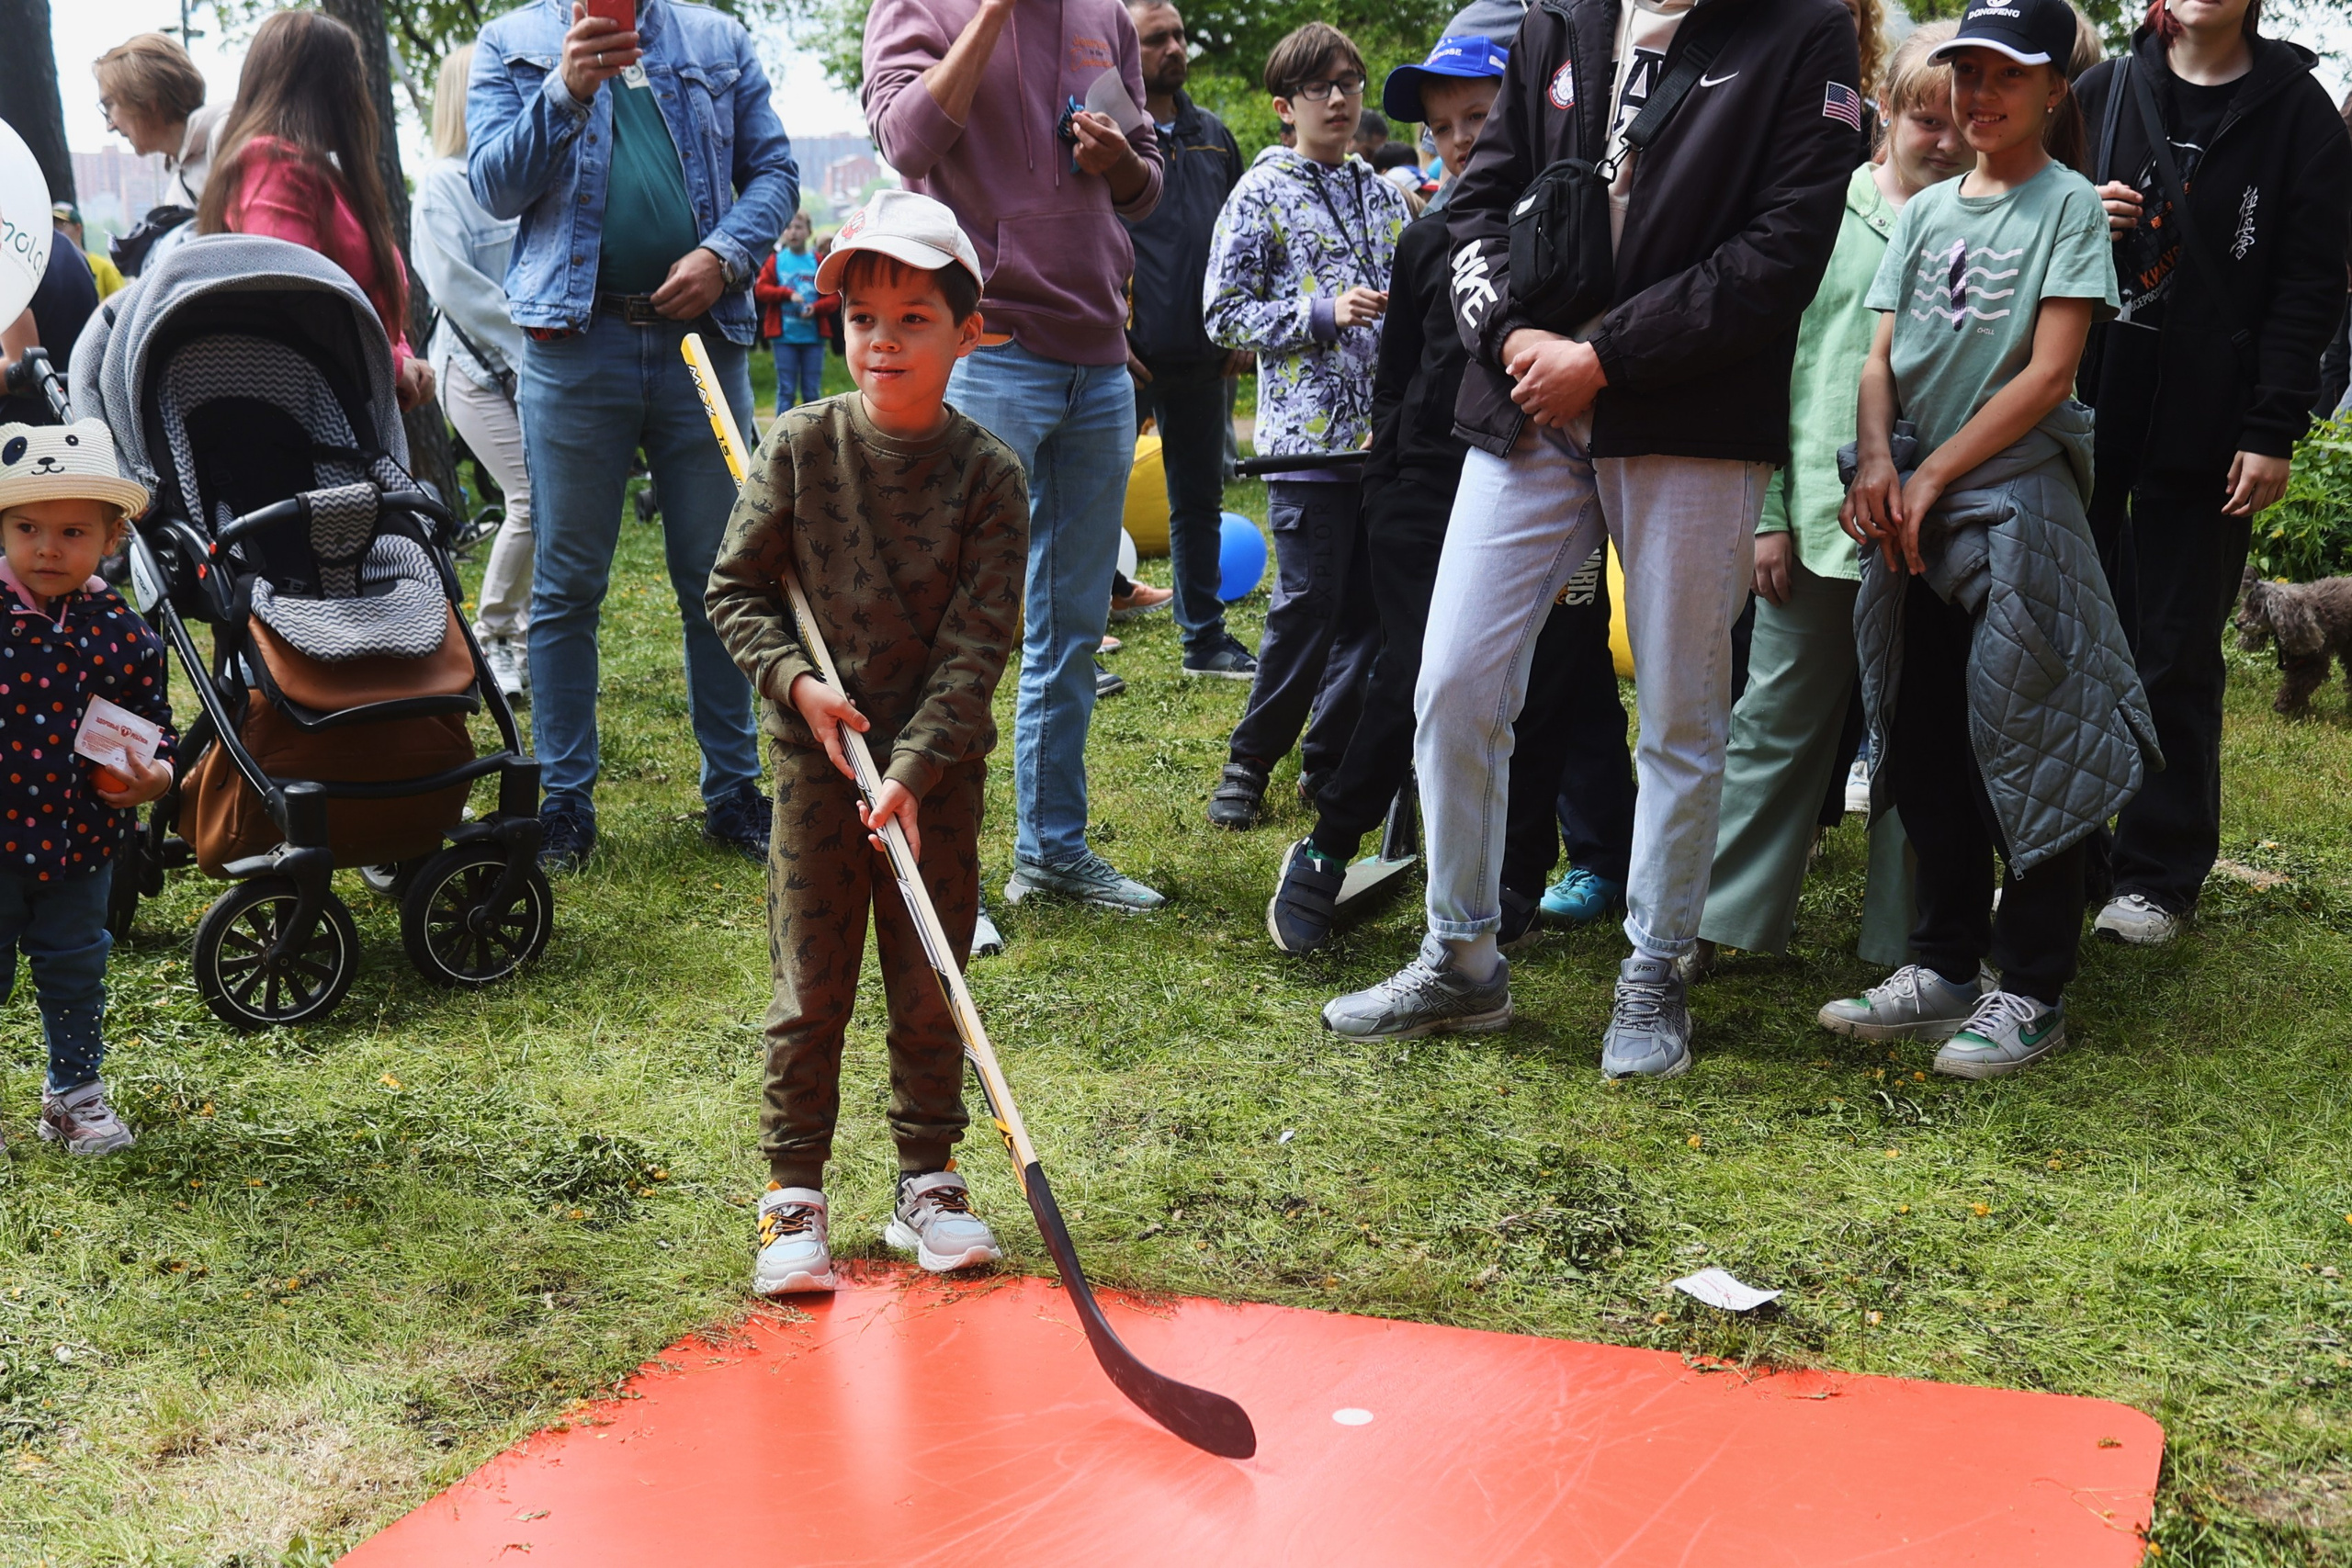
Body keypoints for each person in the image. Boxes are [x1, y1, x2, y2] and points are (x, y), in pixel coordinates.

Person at [1323, 0, 1861, 1067]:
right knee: (1454, 680)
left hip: (1689, 418)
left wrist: (1606, 355)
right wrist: (1514, 333)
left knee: (1679, 708)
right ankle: (1461, 959)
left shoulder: (1801, 30)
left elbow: (1784, 249)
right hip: (1525, 402)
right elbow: (1474, 206)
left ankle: (1655, 970)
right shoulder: (1558, 20)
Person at [706, 191, 1025, 1294]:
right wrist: (799, 689)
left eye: (913, 319)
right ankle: (791, 1193)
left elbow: (980, 647)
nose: (881, 342)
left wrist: (915, 768)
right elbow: (734, 593)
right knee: (812, 982)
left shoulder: (990, 478)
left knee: (930, 975)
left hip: (936, 778)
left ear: (967, 331)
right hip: (814, 768)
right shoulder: (798, 446)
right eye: (861, 319)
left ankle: (926, 1182)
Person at [1825, 0, 2151, 1077]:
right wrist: (1878, 461)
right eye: (1966, 71)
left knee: (2030, 732)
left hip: (2016, 508)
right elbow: (1877, 361)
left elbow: (2049, 375)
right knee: (1921, 738)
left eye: (2006, 75)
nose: (1980, 94)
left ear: (2054, 89)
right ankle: (1943, 963)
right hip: (1912, 506)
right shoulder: (1920, 212)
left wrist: (1931, 473)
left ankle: (2032, 987)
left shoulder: (2064, 206)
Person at [471, 0, 800, 872]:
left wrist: (725, 255)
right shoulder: (512, 43)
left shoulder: (719, 39)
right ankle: (565, 804)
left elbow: (774, 173)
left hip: (704, 340)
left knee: (719, 576)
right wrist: (564, 89)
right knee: (568, 583)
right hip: (574, 347)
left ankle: (732, 790)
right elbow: (493, 186)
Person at [865, 0, 1170, 914]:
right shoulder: (920, 6)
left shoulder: (1103, 13)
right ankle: (933, 871)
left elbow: (1149, 183)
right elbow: (904, 141)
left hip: (1097, 362)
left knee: (1071, 624)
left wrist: (1120, 161)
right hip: (981, 353)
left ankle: (1051, 854)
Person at [1686, 25, 1967, 977]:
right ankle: (1721, 920)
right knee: (1775, 723)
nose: (1942, 139)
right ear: (1882, 112)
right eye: (1923, 118)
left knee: (1924, 732)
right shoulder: (1824, 213)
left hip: (1936, 525)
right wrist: (1765, 516)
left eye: (1959, 120)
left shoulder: (1982, 222)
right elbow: (1777, 369)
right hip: (1812, 515)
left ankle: (1911, 939)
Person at [2075, 0, 2352, 945]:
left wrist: (2272, 426)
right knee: (2068, 637)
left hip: (2210, 428)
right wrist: (2080, 221)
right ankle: (2067, 854)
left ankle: (2157, 872)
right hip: (2084, 416)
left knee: (2174, 650)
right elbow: (2017, 225)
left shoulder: (2298, 113)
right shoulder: (2101, 90)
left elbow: (2310, 284)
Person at [1265, 28, 1533, 950]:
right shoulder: (1423, 239)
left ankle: (1519, 871)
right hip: (1419, 486)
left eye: (1480, 117)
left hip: (1534, 483)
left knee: (1547, 679)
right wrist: (1385, 467)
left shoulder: (1560, 230)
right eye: (1443, 125)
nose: (1460, 138)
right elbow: (1398, 375)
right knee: (1420, 668)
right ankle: (1331, 845)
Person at [1200, 23, 1408, 831]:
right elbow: (1220, 314)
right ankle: (1248, 765)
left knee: (1369, 617)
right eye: (1319, 88)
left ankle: (1329, 764)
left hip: (1379, 447)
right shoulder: (1259, 192)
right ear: (1284, 108)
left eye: (1349, 83)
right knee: (1307, 608)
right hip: (1305, 448)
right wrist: (1320, 312)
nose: (1339, 99)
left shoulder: (1386, 194)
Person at [0, 422, 175, 1156]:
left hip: (81, 841)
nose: (47, 547)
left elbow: (153, 729)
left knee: (76, 966)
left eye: (72, 530)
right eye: (26, 527)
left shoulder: (123, 633)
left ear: (111, 538)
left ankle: (73, 1092)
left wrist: (155, 776)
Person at [196, 12, 435, 415]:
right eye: (354, 79)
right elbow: (289, 300)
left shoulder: (316, 173)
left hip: (349, 415)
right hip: (315, 424)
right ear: (331, 87)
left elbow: (366, 306)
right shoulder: (273, 165)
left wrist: (404, 359)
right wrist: (395, 365)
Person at [1121, 0, 1257, 681]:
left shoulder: (1215, 137)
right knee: (1082, 512)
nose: (1174, 47)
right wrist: (1107, 334)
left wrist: (1242, 324)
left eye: (1177, 35)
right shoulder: (1105, 136)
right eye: (1154, 40)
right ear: (1124, 47)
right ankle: (1079, 652)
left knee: (1199, 503)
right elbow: (1087, 243)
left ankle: (1204, 640)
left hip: (1208, 357)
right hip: (1124, 359)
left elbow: (1241, 241)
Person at [417, 43, 534, 708]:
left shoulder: (515, 178)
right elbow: (457, 288)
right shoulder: (441, 183)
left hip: (533, 367)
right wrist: (535, 335)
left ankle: (519, 637)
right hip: (475, 369)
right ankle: (493, 640)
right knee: (531, 502)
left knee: (548, 508)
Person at [0, 222, 100, 427]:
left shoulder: (7, 257)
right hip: (77, 417)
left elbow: (22, 364)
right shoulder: (64, 246)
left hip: (24, 436)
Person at [757, 210, 828, 408]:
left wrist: (816, 308)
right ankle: (783, 437)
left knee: (811, 391)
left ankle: (813, 435)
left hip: (813, 338)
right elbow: (761, 289)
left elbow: (833, 297)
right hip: (784, 338)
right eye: (788, 228)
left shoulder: (818, 261)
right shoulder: (776, 261)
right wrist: (786, 294)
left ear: (809, 231)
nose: (793, 232)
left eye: (798, 227)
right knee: (786, 390)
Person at [53, 207, 126, 300]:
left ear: (78, 228)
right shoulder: (50, 272)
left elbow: (121, 305)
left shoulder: (104, 268)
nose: (56, 232)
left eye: (61, 226)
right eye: (53, 227)